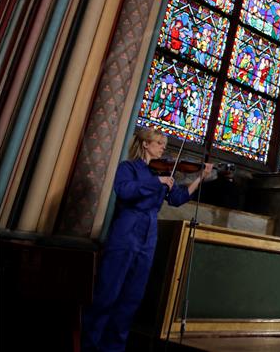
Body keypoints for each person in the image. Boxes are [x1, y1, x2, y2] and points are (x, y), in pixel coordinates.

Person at [82, 127, 213, 352]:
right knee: (108, 293)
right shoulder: (128, 168)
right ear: (145, 144)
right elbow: (124, 191)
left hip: (149, 234)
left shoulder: (161, 175)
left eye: (164, 144)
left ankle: (114, 348)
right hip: (126, 229)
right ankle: (89, 345)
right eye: (159, 143)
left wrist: (199, 178)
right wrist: (158, 182)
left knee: (132, 298)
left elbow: (178, 199)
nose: (164, 147)